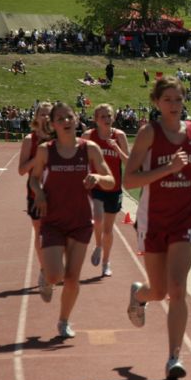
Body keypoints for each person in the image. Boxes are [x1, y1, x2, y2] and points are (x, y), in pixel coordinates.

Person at [123, 76, 191, 379]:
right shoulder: (148, 134)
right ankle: (140, 295)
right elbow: (129, 181)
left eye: (178, 99)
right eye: (168, 99)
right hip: (153, 219)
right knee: (159, 290)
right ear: (157, 103)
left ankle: (174, 357)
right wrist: (167, 169)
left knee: (177, 289)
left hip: (185, 218)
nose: (174, 105)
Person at [29, 103, 115, 338]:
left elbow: (111, 181)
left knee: (72, 278)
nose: (66, 121)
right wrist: (40, 192)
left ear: (76, 120)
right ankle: (46, 276)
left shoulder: (90, 149)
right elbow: (34, 179)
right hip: (53, 221)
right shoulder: (46, 150)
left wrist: (97, 176)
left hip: (80, 221)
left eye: (69, 117)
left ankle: (64, 321)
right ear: (53, 125)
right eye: (60, 118)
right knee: (57, 275)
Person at [82, 104, 129, 277]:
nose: (106, 119)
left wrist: (116, 148)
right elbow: (81, 159)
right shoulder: (89, 136)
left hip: (114, 187)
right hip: (95, 186)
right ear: (96, 120)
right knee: (97, 218)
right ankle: (98, 245)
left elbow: (129, 163)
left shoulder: (120, 136)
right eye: (102, 116)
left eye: (109, 115)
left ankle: (106, 261)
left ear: (114, 117)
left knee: (108, 229)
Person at [18, 102, 53, 290]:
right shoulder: (29, 140)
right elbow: (21, 170)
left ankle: (53, 267)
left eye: (49, 114)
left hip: (58, 195)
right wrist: (38, 157)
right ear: (36, 117)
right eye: (42, 114)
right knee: (40, 235)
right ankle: (44, 269)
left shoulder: (59, 138)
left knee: (60, 235)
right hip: (36, 194)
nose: (45, 117)